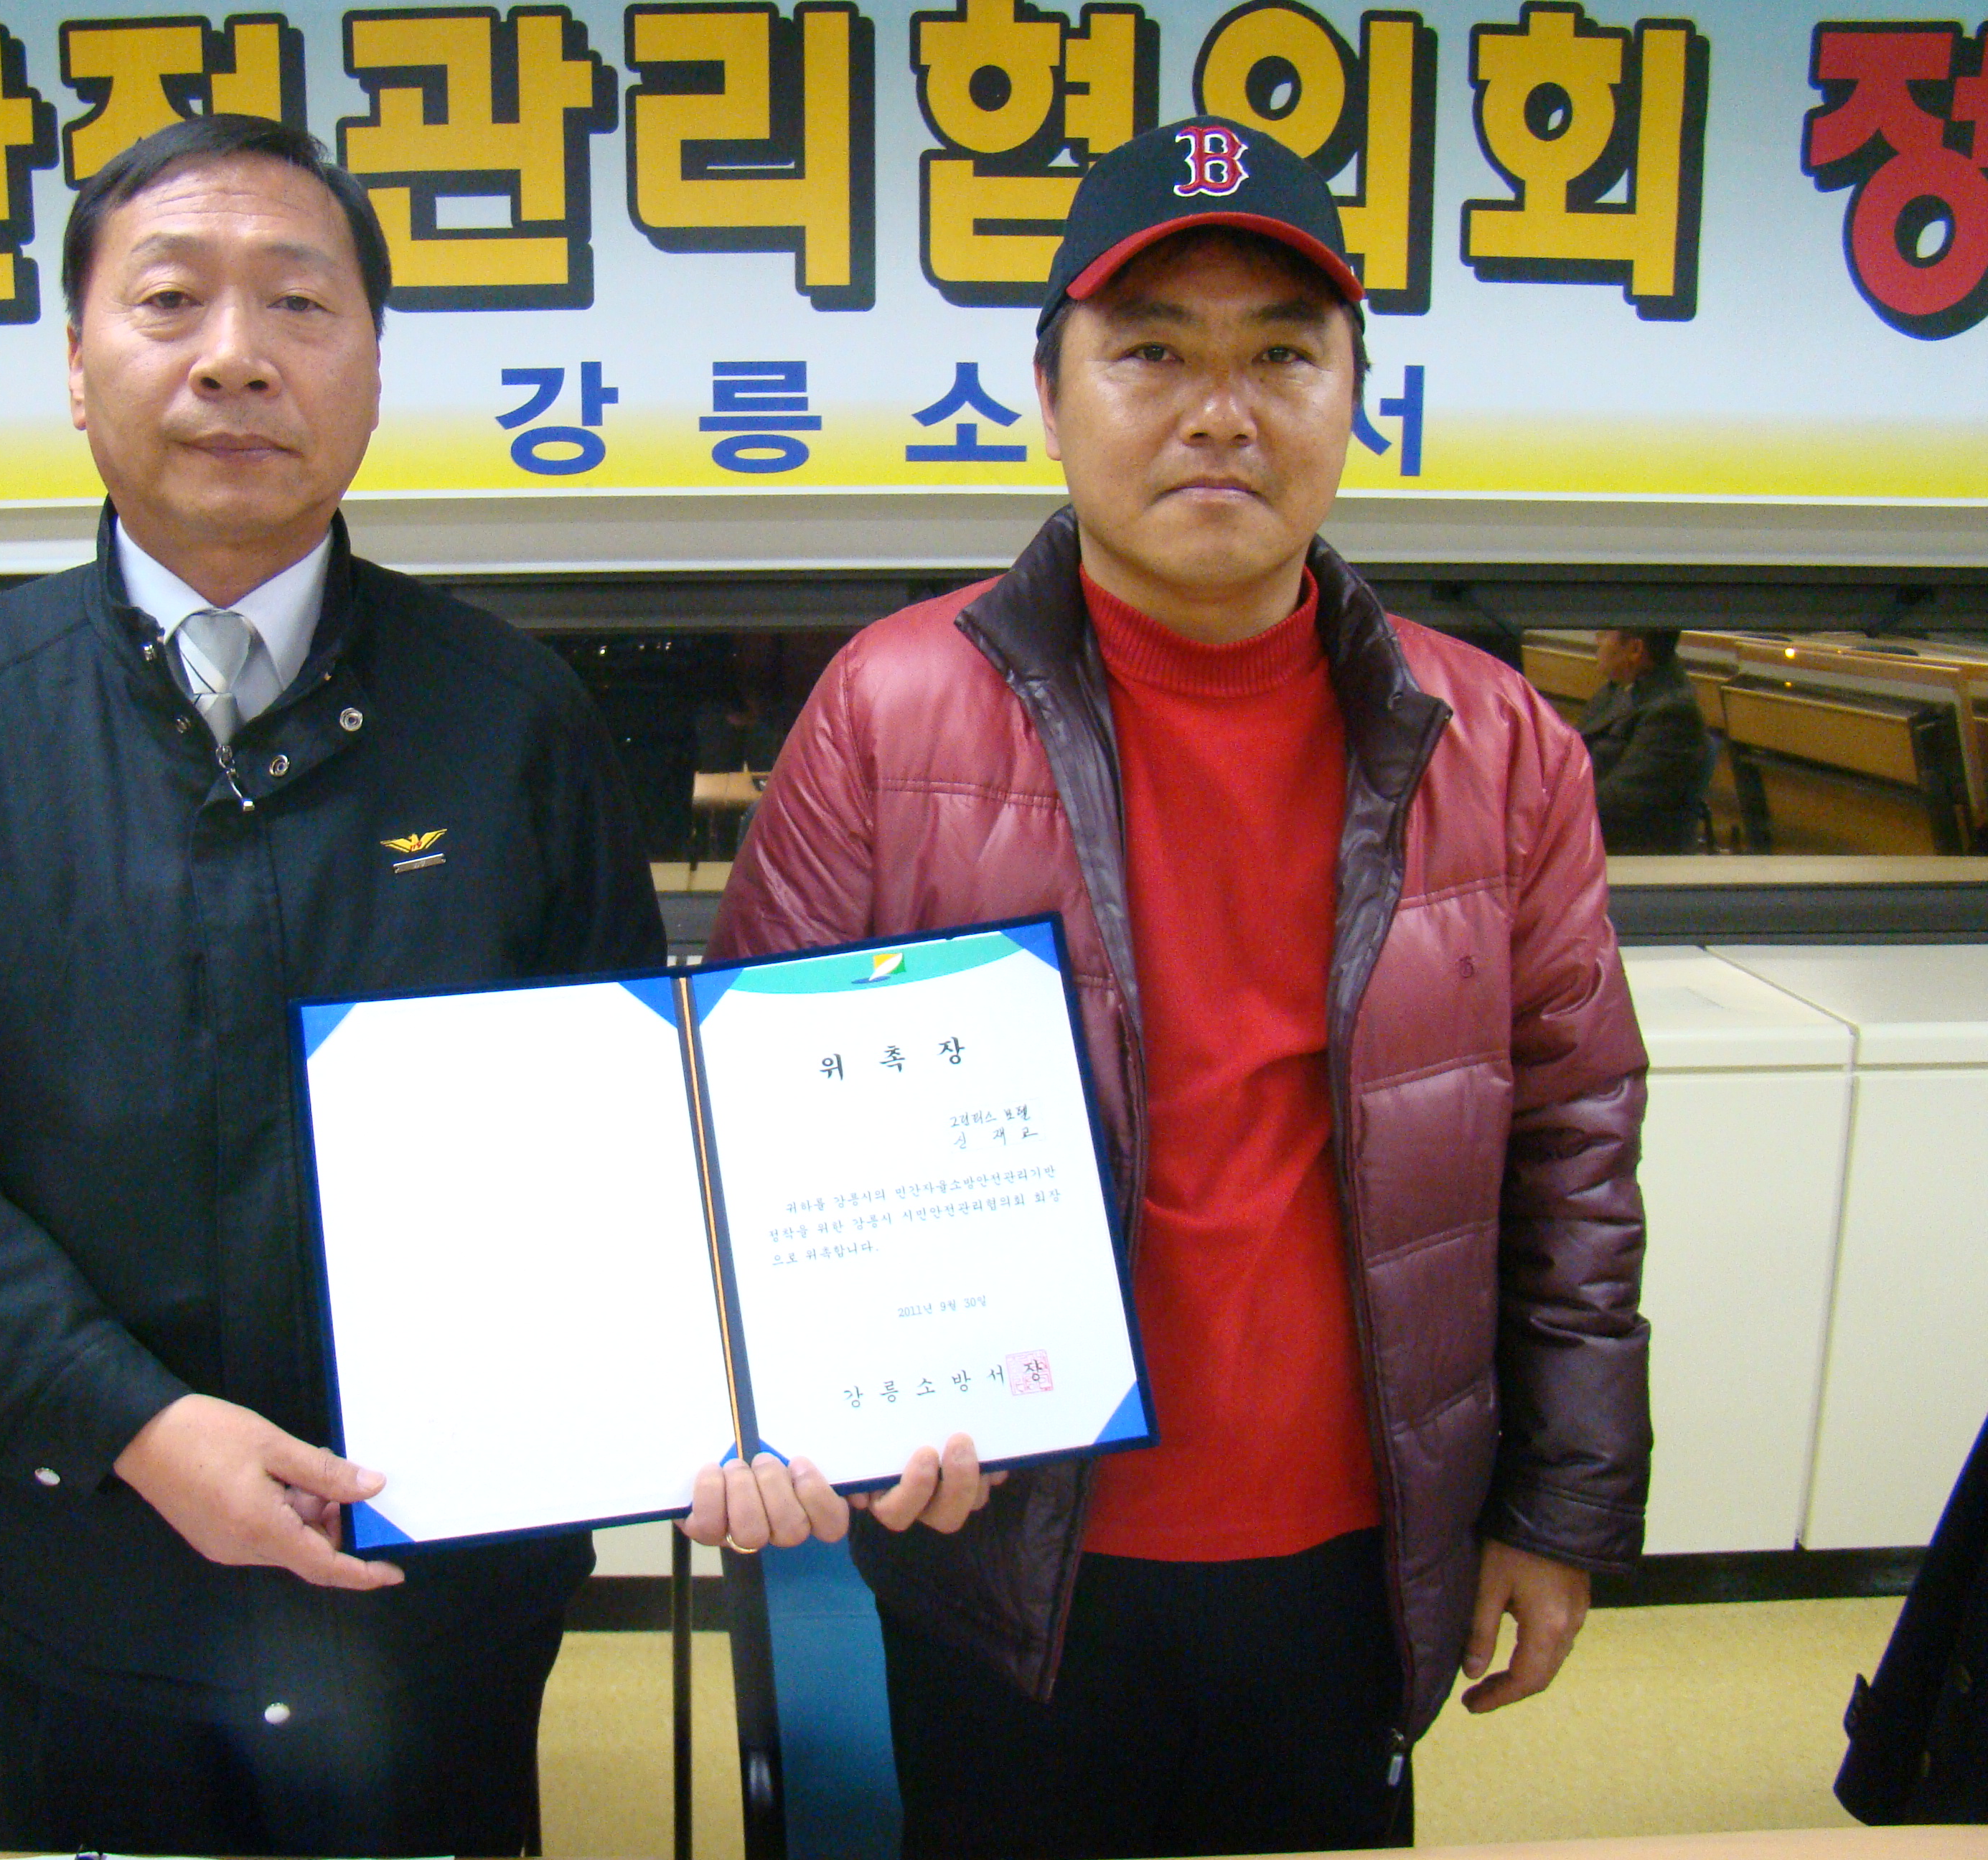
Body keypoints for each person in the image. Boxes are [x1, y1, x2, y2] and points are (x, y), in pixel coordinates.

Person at [683, 118, 1651, 1859]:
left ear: (1354, 397)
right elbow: (750, 1139)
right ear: (1047, 398)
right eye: (1149, 354)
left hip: (1354, 1547)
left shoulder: (1496, 744)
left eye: (1280, 355)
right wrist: (786, 1410)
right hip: (997, 1542)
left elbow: (1575, 1146)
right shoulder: (886, 712)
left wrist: (1560, 1503)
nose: (1220, 410)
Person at [0, 114, 662, 1856]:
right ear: (76, 366)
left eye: (299, 304)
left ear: (372, 369)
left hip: (438, 1578)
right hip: (95, 1566)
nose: (235, 357)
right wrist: (135, 1423)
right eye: (169, 300)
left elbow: (610, 1123)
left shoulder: (512, 717)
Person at [1582, 627, 1712, 852]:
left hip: (1627, 853)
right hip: (1590, 838)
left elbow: (1616, 804)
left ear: (1635, 649)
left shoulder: (1673, 713)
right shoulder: (1620, 687)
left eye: (1605, 633)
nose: (1597, 639)